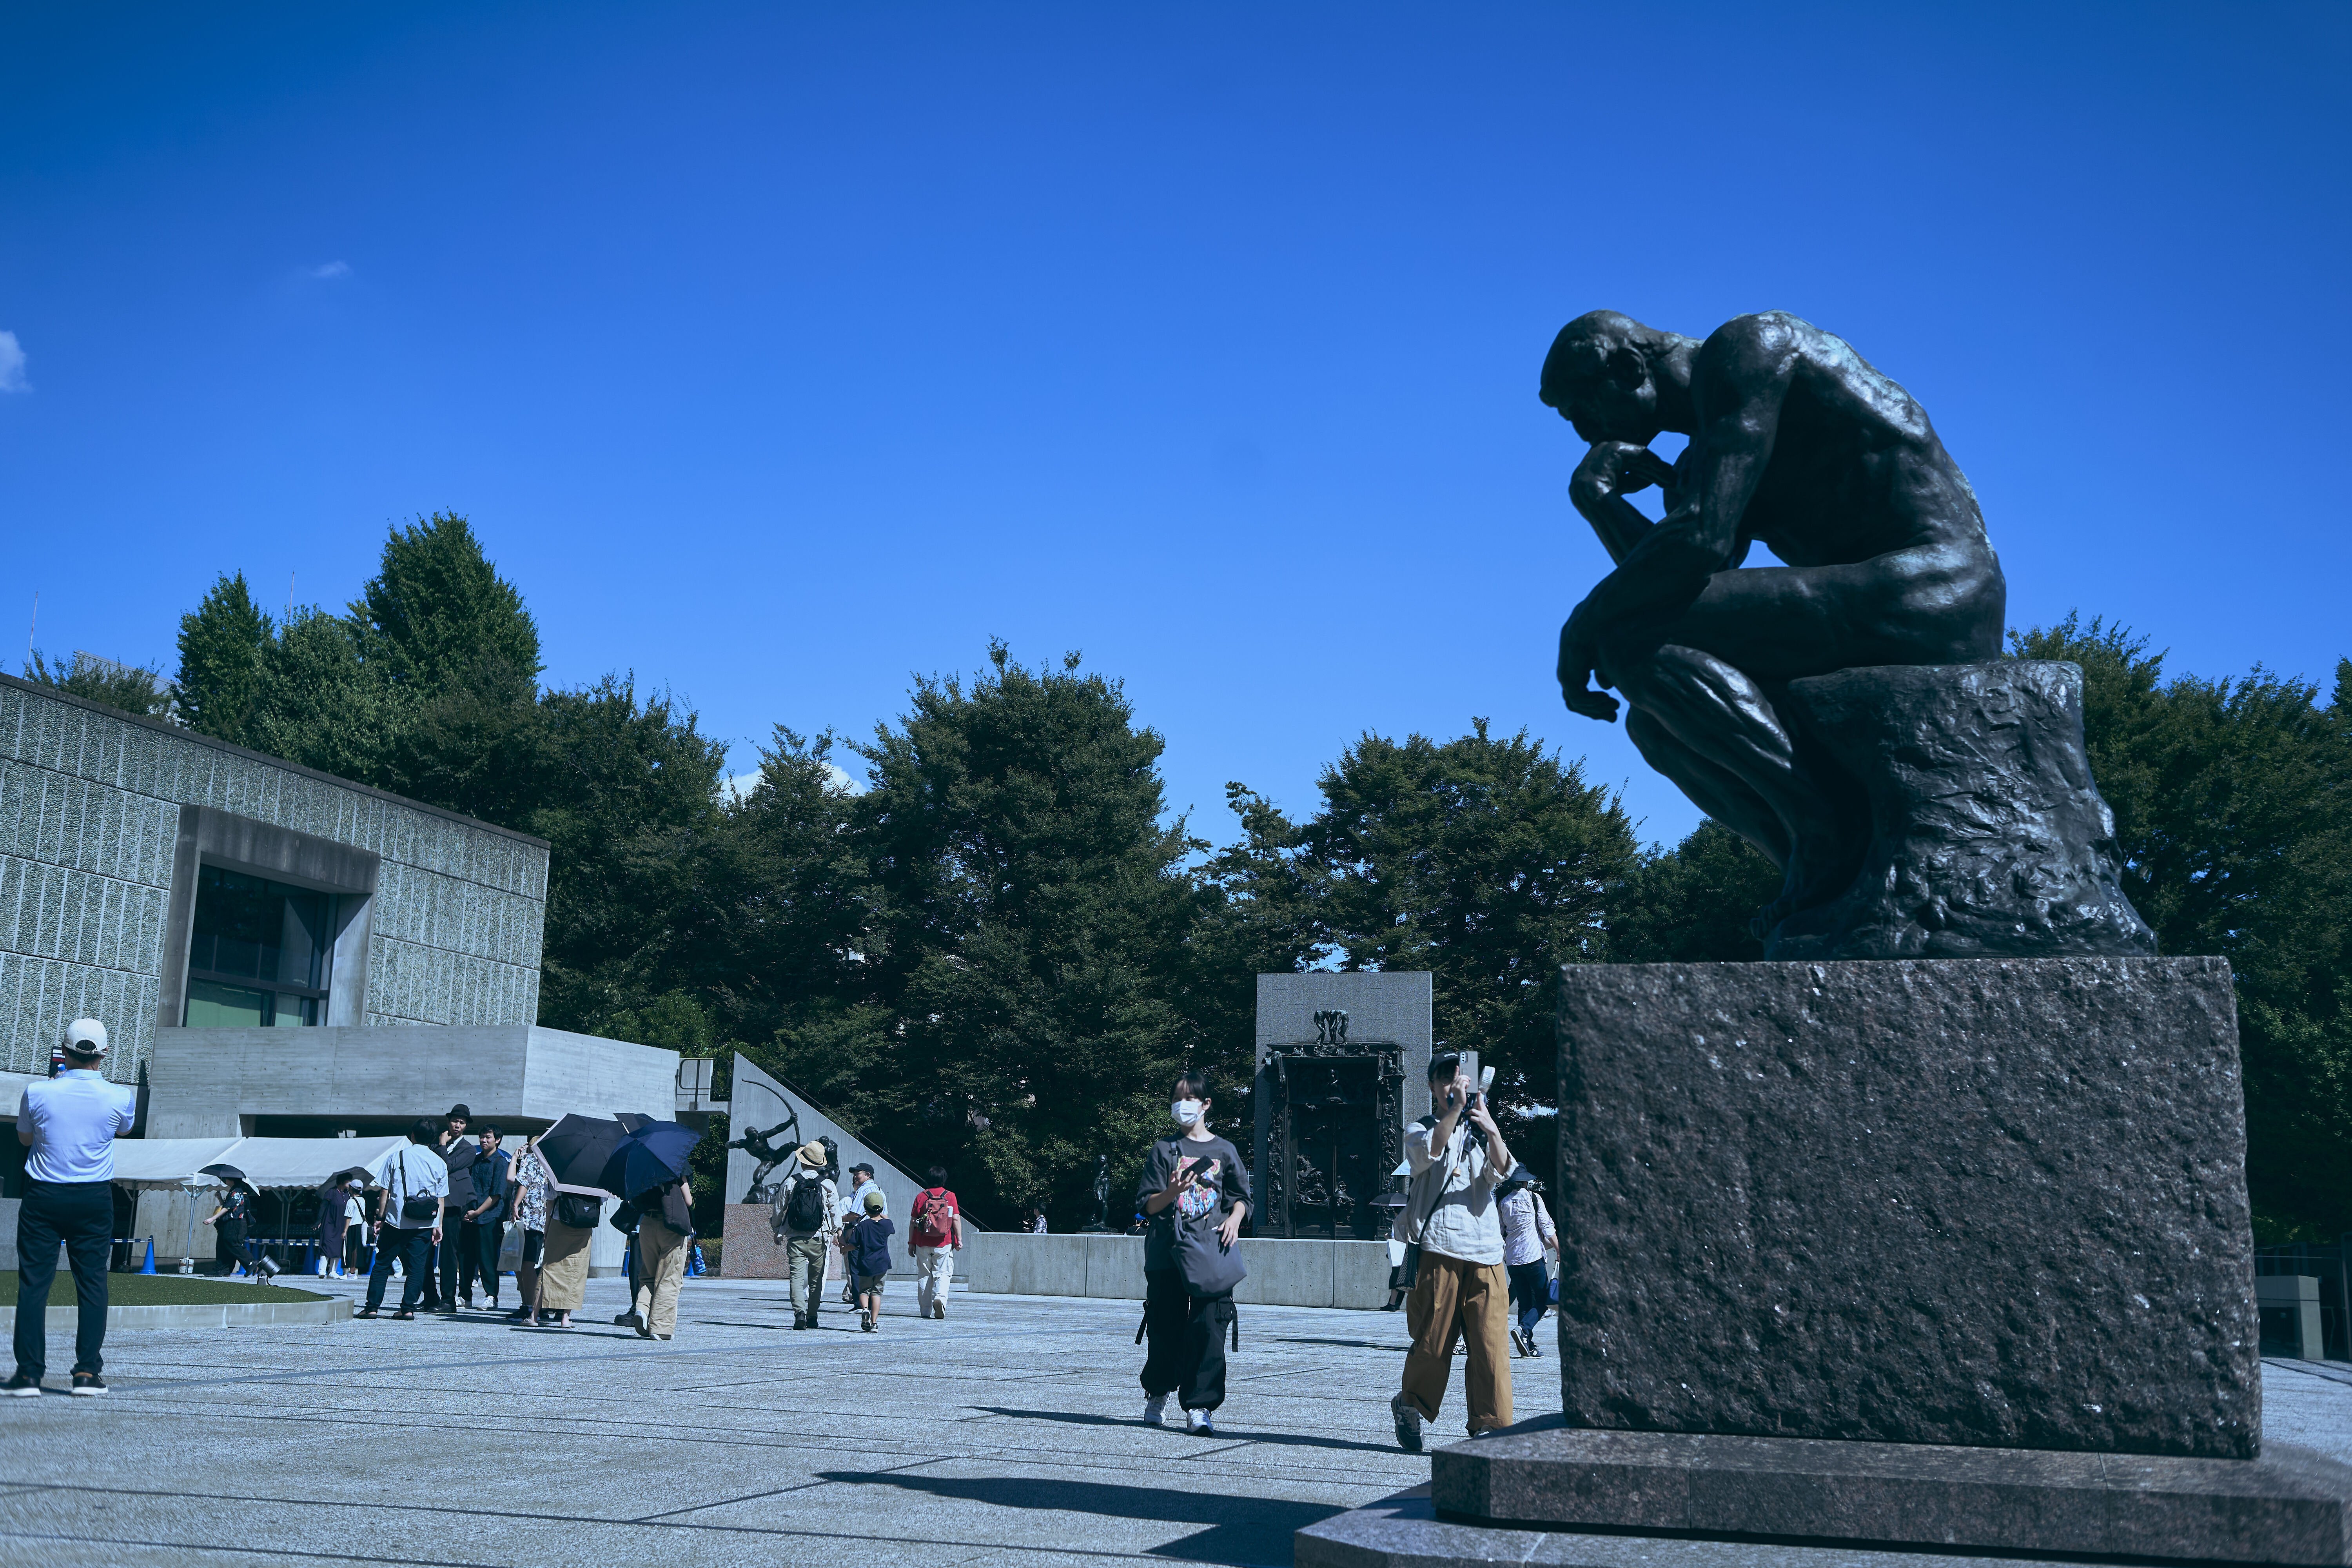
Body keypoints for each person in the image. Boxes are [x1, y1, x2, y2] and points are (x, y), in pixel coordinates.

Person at [1541, 310, 2004, 931]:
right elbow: (1676, 578)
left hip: (1934, 585)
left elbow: (1698, 547)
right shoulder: (1709, 447)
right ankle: (1819, 879)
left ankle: (1826, 827)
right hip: (1869, 599)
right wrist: (1598, 504)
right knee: (1657, 726)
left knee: (1631, 640)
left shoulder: (1749, 352)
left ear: (1629, 367)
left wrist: (1582, 627)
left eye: (1582, 410)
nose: (1583, 433)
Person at [7, 1018, 136, 1397]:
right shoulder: (120, 1096)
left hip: (43, 1196)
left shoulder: (37, 1092)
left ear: (63, 1052)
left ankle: (29, 1374)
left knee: (34, 1284)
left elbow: (24, 1138)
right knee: (93, 1283)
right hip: (93, 1197)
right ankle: (86, 1374)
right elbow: (123, 1130)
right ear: (104, 1054)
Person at [1391, 1052, 1513, 1450]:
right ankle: (1410, 1404)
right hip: (1439, 1247)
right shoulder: (1422, 1127)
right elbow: (1426, 1154)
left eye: (1459, 1078)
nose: (1453, 1084)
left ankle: (1491, 1424)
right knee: (1433, 1341)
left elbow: (1501, 1171)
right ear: (1431, 1087)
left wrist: (1491, 1128)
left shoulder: (1480, 1131)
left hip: (1487, 1250)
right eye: (1445, 1078)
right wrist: (1457, 1110)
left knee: (1491, 1344)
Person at [1136, 1071, 1251, 1436]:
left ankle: (1200, 1406)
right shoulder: (1163, 1150)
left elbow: (1243, 1197)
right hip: (1167, 1254)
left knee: (1209, 1329)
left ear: (1206, 1104)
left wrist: (1235, 1218)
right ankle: (1158, 1393)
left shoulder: (1224, 1150)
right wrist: (1171, 1192)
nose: (1182, 1105)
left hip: (1212, 1251)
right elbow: (1146, 1207)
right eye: (1177, 1098)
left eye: (1189, 1098)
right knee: (1164, 1327)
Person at [359, 1119, 450, 1321]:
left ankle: (372, 1308)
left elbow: (385, 1190)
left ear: (413, 1135)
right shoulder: (439, 1163)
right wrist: (439, 1225)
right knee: (418, 1267)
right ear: (433, 1139)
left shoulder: (396, 1157)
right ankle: (407, 1309)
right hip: (425, 1223)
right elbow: (440, 1198)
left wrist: (380, 1218)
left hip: (396, 1221)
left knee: (382, 1264)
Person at [771, 1142, 838, 1330]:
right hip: (819, 1238)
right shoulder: (827, 1184)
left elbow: (779, 1209)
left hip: (795, 1237)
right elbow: (835, 1211)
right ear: (820, 1164)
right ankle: (813, 1315)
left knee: (796, 1277)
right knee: (816, 1280)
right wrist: (837, 1231)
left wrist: (777, 1230)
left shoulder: (791, 1182)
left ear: (802, 1162)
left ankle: (799, 1313)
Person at [1497, 1169, 1558, 1358]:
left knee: (1524, 1302)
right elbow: (1547, 1227)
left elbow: (1501, 1231)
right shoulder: (1533, 1198)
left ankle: (1528, 1346)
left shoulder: (1503, 1203)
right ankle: (1524, 1330)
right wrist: (1559, 1249)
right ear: (1525, 1182)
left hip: (1513, 1259)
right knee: (1543, 1300)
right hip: (1532, 1256)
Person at [629, 1177, 693, 1342]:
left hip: (647, 1224)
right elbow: (688, 1201)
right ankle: (661, 1327)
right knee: (669, 1277)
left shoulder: (642, 1165)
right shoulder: (676, 1165)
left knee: (648, 1275)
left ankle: (642, 1309)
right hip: (671, 1226)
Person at [461, 1125, 511, 1310]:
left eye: (488, 1138)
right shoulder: (476, 1161)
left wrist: (478, 1212)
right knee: (466, 1257)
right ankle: (465, 1295)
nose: (484, 1141)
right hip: (471, 1215)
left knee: (487, 1258)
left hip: (489, 1216)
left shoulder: (500, 1162)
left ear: (497, 1140)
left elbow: (496, 1195)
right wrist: (468, 1212)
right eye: (482, 1137)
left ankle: (492, 1296)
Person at [431, 1105, 474, 1313]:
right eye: (455, 1121)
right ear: (449, 1122)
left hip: (453, 1206)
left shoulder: (468, 1149)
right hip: (432, 1203)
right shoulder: (434, 1144)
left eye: (462, 1122)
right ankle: (431, 1296)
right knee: (424, 1252)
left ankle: (448, 1300)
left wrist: (441, 1146)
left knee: (449, 1254)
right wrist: (439, 1145)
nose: (457, 1125)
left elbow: (445, 1167)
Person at [539, 1182, 599, 1330]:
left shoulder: (563, 1169)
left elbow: (551, 1198)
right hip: (585, 1222)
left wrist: (546, 1228)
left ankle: (534, 1315)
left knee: (550, 1267)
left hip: (561, 1220)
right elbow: (603, 1200)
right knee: (576, 1269)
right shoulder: (598, 1173)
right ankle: (565, 1317)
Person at [505, 1134, 551, 1323]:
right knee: (522, 1264)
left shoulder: (533, 1160)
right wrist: (516, 1158)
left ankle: (533, 1306)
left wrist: (516, 1204)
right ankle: (528, 1306)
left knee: (525, 1264)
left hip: (528, 1218)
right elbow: (512, 1179)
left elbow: (522, 1183)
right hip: (538, 1220)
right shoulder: (548, 1165)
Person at [908, 1167, 963, 1321]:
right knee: (943, 1273)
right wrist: (958, 1239)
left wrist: (911, 1242)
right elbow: (956, 1219)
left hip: (922, 1242)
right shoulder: (950, 1196)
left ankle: (925, 1311)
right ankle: (939, 1298)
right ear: (944, 1179)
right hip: (943, 1242)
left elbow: (913, 1221)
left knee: (924, 1275)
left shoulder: (921, 1196)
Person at [847, 1189, 894, 1332]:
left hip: (866, 1264)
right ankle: (874, 1324)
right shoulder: (888, 1224)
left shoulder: (862, 1226)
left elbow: (854, 1245)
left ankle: (865, 1309)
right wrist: (882, 1215)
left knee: (864, 1291)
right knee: (877, 1293)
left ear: (865, 1209)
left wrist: (844, 1249)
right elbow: (888, 1223)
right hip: (882, 1264)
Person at [838, 1163, 881, 1304]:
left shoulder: (863, 1190)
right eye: (854, 1173)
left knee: (856, 1269)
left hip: (860, 1232)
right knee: (870, 1267)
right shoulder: (879, 1190)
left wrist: (838, 1219)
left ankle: (858, 1302)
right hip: (876, 1233)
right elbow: (885, 1215)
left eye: (858, 1173)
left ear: (868, 1175)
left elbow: (854, 1215)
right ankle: (870, 1300)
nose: (855, 1176)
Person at [205, 1177, 258, 1277]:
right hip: (229, 1222)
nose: (225, 1181)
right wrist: (220, 1198)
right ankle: (223, 1269)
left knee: (233, 1244)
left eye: (227, 1179)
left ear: (232, 1180)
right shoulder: (234, 1190)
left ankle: (250, 1262)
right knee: (223, 1245)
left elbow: (228, 1208)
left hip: (236, 1222)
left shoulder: (237, 1191)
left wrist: (213, 1219)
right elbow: (228, 1206)